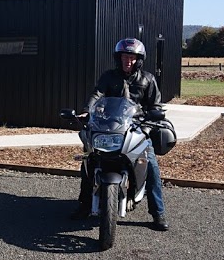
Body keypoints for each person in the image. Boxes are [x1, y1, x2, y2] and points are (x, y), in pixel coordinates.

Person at [72, 37, 169, 231]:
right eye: (125, 57)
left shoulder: (148, 79)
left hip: (138, 128)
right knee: (89, 160)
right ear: (119, 58)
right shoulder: (109, 77)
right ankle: (84, 205)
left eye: (132, 57)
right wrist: (87, 111)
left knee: (151, 167)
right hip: (111, 126)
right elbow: (97, 95)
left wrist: (149, 125)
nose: (128, 61)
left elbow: (156, 106)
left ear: (139, 60)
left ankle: (158, 213)